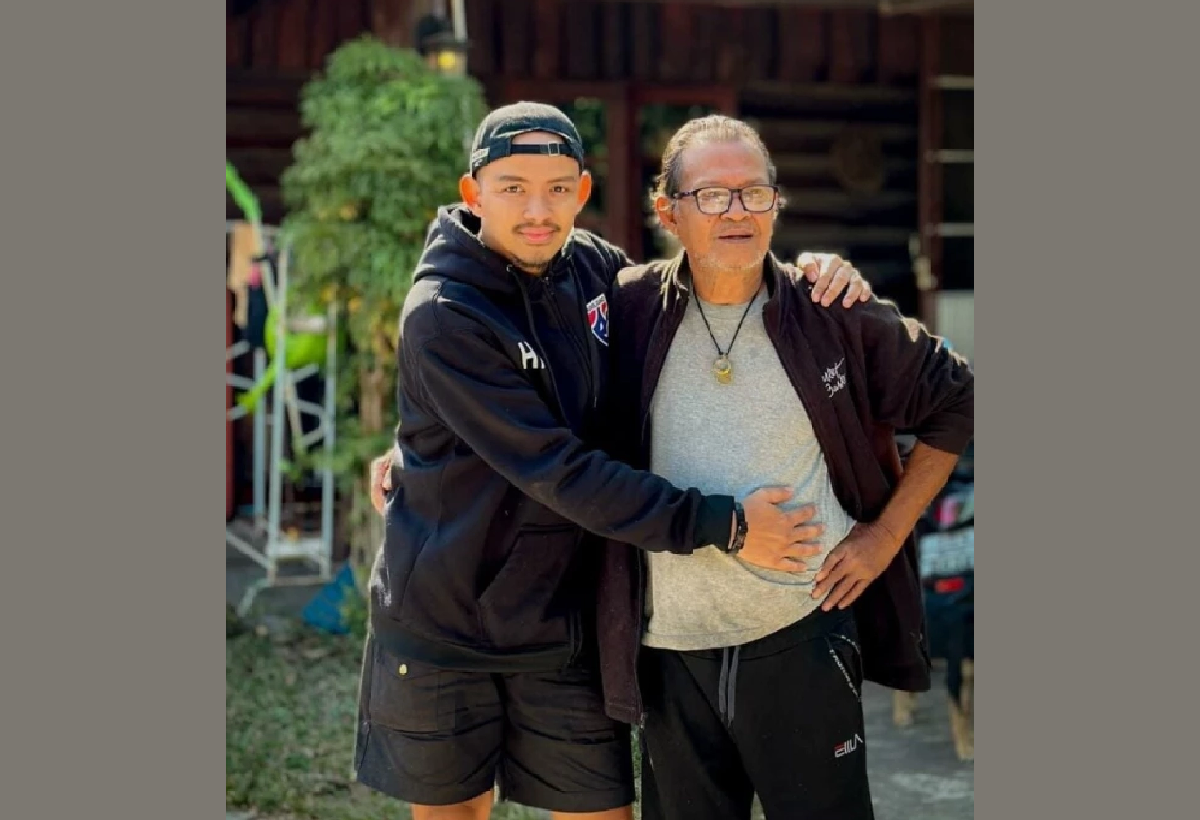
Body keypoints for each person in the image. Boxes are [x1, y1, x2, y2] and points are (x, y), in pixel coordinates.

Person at [355, 102, 872, 820]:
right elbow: (558, 469)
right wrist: (724, 524)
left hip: (563, 623)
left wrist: (809, 275)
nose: (538, 210)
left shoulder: (598, 270)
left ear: (582, 190)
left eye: (556, 188)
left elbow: (698, 287)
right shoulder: (443, 312)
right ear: (474, 194)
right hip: (445, 626)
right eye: (512, 188)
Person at [594, 114, 975, 820]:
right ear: (669, 212)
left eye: (754, 192)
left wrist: (885, 535)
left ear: (776, 203)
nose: (736, 212)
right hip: (670, 651)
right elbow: (530, 396)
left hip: (803, 633)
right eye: (713, 195)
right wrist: (412, 448)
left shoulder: (830, 310)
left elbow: (960, 399)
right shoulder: (628, 309)